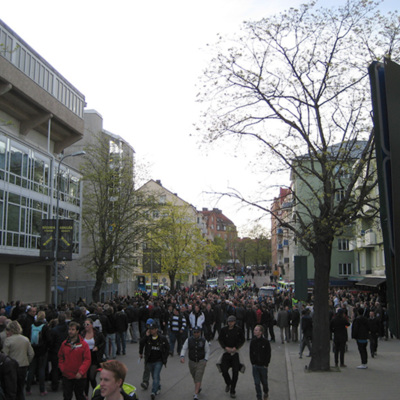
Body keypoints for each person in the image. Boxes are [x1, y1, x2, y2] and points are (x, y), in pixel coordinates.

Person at [58, 321, 91, 400]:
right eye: (69, 329)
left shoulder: (84, 344)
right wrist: (63, 368)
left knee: (79, 396)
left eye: (73, 330)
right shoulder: (64, 344)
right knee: (67, 396)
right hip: (67, 375)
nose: (70, 331)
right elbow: (60, 357)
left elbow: (87, 360)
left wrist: (81, 371)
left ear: (77, 331)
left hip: (80, 376)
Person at [3, 320, 35, 400]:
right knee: (21, 388)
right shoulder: (25, 339)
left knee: (11, 389)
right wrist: (27, 361)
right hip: (23, 366)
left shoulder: (8, 340)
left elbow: (4, 355)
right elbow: (31, 353)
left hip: (11, 367)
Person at [139, 322, 170, 400]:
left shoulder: (162, 338)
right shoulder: (148, 338)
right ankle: (158, 386)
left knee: (156, 375)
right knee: (154, 375)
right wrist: (146, 336)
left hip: (158, 361)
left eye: (152, 329)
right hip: (149, 360)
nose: (151, 331)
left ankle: (153, 391)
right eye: (150, 329)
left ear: (156, 329)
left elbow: (167, 348)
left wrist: (165, 358)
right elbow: (141, 343)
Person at [218, 315, 245, 399]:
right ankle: (228, 383)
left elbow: (242, 340)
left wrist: (236, 347)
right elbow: (220, 339)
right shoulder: (223, 330)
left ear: (234, 322)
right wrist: (225, 347)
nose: (230, 323)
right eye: (229, 322)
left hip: (235, 353)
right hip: (226, 352)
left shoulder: (238, 330)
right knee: (224, 370)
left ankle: (233, 390)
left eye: (232, 321)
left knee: (235, 372)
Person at [180, 326, 210, 400]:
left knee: (198, 376)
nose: (196, 334)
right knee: (194, 376)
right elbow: (184, 347)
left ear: (200, 332)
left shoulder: (203, 341)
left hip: (201, 361)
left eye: (197, 332)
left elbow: (207, 351)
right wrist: (182, 356)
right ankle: (198, 386)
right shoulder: (189, 340)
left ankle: (195, 394)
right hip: (192, 361)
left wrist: (205, 360)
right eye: (195, 332)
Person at [25, 310, 49, 396]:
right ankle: (42, 389)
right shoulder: (45, 326)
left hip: (33, 349)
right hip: (42, 351)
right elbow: (48, 339)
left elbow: (28, 336)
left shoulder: (32, 326)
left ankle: (28, 388)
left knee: (31, 369)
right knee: (41, 370)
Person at [82, 318, 106, 397]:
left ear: (92, 325)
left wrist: (97, 347)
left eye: (87, 324)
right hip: (85, 357)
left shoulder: (98, 334)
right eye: (85, 324)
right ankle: (85, 395)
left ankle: (95, 392)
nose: (86, 326)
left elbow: (103, 342)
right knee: (86, 378)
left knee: (92, 377)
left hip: (94, 357)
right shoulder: (82, 334)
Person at [249, 325, 271, 400]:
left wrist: (266, 364)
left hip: (263, 366)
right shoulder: (253, 341)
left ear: (261, 332)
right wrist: (253, 363)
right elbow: (251, 353)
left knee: (264, 382)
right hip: (255, 366)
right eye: (254, 330)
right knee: (257, 383)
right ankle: (259, 397)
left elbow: (268, 353)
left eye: (256, 330)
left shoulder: (265, 342)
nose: (254, 331)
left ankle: (266, 391)